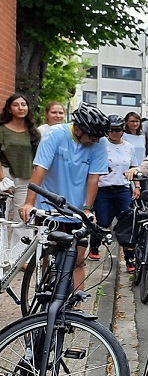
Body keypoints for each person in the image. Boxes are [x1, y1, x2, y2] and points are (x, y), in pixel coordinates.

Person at [18, 103, 109, 291]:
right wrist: (29, 203)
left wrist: (87, 209)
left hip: (76, 208)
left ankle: (77, 309)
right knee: (47, 252)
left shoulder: (99, 143)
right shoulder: (55, 134)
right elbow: (40, 168)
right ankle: (44, 291)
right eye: (91, 137)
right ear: (77, 129)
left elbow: (94, 179)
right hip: (49, 203)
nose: (94, 141)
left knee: (78, 258)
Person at [88, 115, 137, 265]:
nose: (114, 133)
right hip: (103, 188)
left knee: (127, 221)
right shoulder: (100, 144)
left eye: (117, 130)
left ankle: (129, 257)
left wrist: (137, 187)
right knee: (102, 221)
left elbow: (133, 167)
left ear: (123, 130)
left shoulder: (129, 147)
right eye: (111, 130)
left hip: (122, 188)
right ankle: (95, 246)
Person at [0, 94, 42, 263]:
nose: (20, 107)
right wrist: (2, 179)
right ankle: (2, 257)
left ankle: (19, 258)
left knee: (23, 216)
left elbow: (39, 158)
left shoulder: (33, 131)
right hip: (5, 175)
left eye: (23, 104)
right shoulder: (2, 129)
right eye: (16, 105)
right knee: (2, 217)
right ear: (9, 108)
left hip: (26, 177)